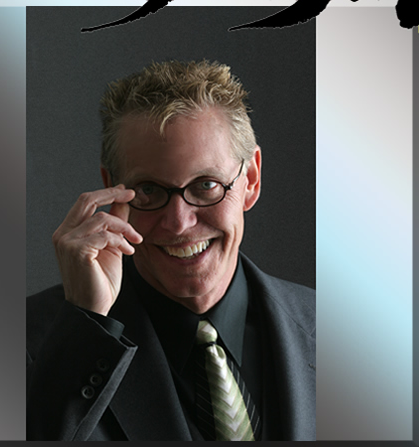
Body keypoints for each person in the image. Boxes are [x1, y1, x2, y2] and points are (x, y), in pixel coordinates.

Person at [26, 60, 315, 441]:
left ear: (251, 180)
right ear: (111, 187)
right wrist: (86, 326)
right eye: (148, 189)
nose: (178, 223)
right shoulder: (25, 345)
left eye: (206, 185)